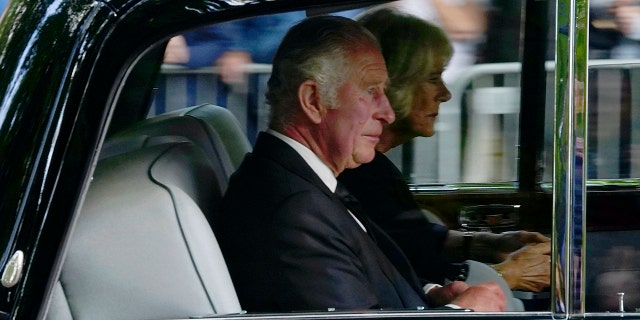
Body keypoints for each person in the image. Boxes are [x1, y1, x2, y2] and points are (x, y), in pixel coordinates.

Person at [217, 15, 506, 313]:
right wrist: (463, 313)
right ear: (313, 100)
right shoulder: (296, 212)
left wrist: (432, 294)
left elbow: (372, 279)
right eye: (371, 92)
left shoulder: (307, 182)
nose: (388, 113)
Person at [338, 8, 551, 294]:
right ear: (395, 83)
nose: (446, 93)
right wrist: (508, 274)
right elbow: (411, 283)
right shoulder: (356, 175)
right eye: (433, 78)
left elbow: (411, 239)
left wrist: (488, 243)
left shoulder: (374, 169)